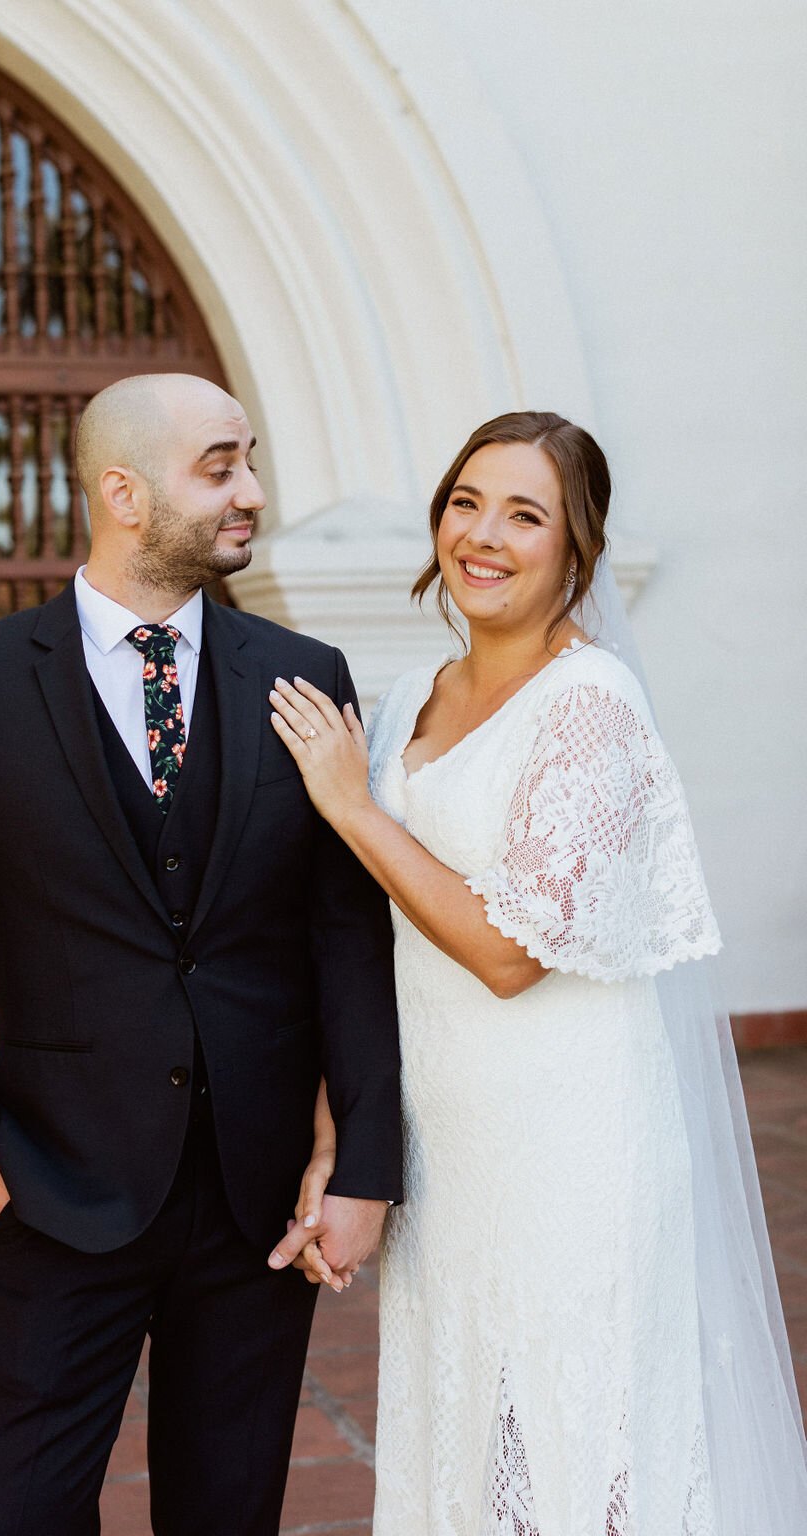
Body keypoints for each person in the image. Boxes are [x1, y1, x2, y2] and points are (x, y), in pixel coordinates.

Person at [0, 373, 402, 1536]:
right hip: (53, 1186)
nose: (250, 493)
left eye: (251, 460)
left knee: (227, 1513)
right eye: (219, 467)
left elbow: (347, 938)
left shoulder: (304, 676)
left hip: (256, 1211)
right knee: (18, 1514)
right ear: (123, 493)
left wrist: (362, 1168)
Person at [268, 412, 807, 1533]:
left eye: (526, 514)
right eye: (466, 501)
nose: (484, 535)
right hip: (448, 1145)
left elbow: (512, 953)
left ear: (578, 550)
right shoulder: (410, 692)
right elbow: (369, 946)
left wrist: (351, 807)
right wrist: (338, 1143)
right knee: (469, 1441)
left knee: (581, 1453)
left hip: (574, 1148)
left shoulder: (593, 705)